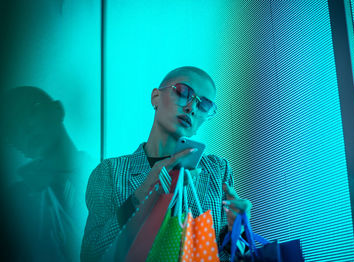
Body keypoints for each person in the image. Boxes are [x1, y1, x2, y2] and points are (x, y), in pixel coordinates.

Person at [81, 66, 252, 261]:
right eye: (183, 92)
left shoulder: (217, 171)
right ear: (156, 98)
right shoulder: (111, 172)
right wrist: (143, 193)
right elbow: (90, 255)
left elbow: (229, 255)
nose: (191, 108)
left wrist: (238, 232)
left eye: (204, 105)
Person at [2, 86, 92, 261]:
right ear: (15, 145)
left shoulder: (113, 178)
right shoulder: (13, 204)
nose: (25, 127)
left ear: (58, 110)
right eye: (13, 126)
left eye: (32, 109)